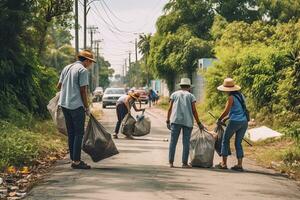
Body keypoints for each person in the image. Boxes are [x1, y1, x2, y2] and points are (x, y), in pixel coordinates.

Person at [57, 50, 95, 169]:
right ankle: (77, 161)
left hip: (64, 104)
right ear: (87, 60)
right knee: (79, 133)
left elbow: (59, 86)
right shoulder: (82, 70)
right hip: (76, 106)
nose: (90, 64)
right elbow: (83, 91)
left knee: (71, 133)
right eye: (91, 62)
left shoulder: (67, 68)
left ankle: (73, 159)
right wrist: (86, 107)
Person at [166, 78, 205, 168]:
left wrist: (168, 120)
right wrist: (199, 123)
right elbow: (194, 111)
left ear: (180, 86)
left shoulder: (174, 94)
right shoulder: (191, 96)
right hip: (188, 122)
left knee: (173, 142)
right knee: (186, 142)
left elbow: (170, 108)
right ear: (189, 87)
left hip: (175, 121)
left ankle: (171, 162)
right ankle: (184, 163)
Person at [215, 78, 248, 171]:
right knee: (238, 143)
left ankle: (224, 163)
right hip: (244, 122)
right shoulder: (241, 95)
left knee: (225, 140)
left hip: (234, 122)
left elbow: (226, 111)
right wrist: (225, 119)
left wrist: (220, 118)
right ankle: (239, 165)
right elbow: (238, 110)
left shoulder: (231, 97)